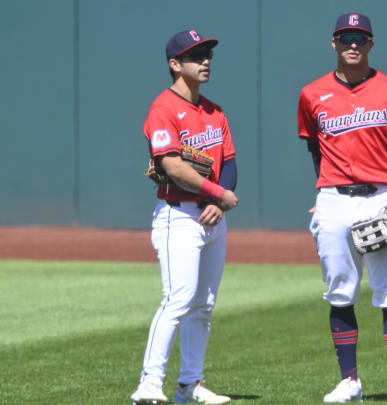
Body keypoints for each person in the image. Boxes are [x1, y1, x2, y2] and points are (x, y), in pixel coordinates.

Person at [297, 13, 387, 405]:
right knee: (339, 292)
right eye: (346, 37)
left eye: (361, 38)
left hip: (382, 196)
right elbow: (316, 149)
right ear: (334, 42)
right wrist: (324, 195)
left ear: (370, 44)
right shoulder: (312, 94)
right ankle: (350, 380)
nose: (353, 44)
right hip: (333, 198)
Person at [130, 29, 238, 405]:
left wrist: (220, 202)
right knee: (177, 299)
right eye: (195, 56)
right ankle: (148, 384)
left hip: (211, 217)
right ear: (175, 65)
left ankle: (189, 384)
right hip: (178, 216)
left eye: (207, 53)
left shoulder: (215, 110)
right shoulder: (163, 108)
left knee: (203, 305)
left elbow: (230, 162)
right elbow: (172, 166)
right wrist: (218, 194)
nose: (205, 60)